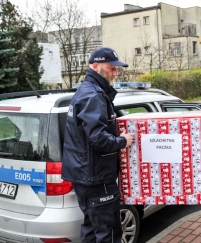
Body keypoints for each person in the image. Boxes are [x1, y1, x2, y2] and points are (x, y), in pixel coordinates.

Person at [62, 47, 135, 243]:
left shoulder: (87, 92)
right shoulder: (93, 95)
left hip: (86, 176)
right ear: (95, 66)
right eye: (111, 68)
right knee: (108, 234)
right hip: (97, 179)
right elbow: (98, 138)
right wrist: (122, 141)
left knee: (91, 229)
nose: (115, 73)